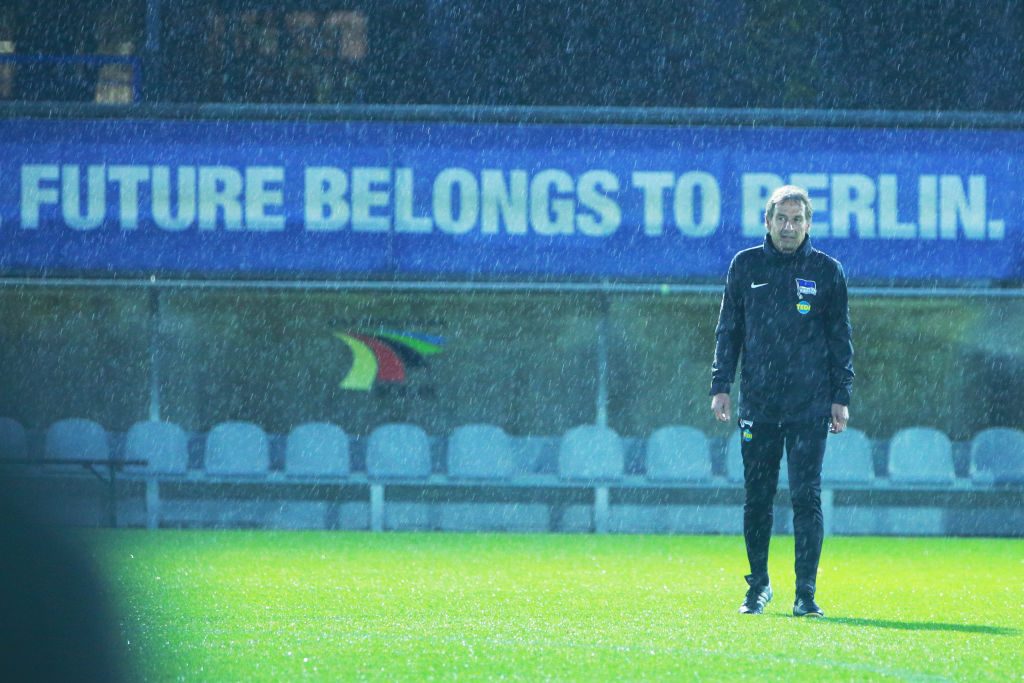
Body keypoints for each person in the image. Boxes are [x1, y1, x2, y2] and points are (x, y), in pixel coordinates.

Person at [709, 184, 854, 618]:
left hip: (809, 406)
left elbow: (839, 339)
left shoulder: (827, 271)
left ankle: (805, 593)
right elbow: (728, 331)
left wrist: (840, 396)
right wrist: (721, 384)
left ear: (808, 224)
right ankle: (758, 587)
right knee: (758, 497)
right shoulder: (745, 265)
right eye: (781, 219)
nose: (788, 227)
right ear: (767, 222)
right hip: (759, 404)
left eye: (796, 220)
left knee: (806, 497)